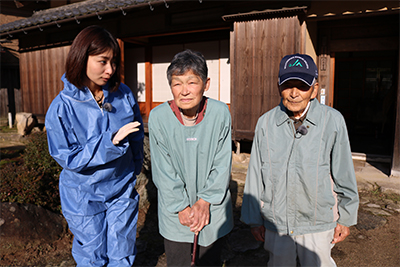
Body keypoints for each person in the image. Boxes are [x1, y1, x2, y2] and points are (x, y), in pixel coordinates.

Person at [241, 53, 359, 266]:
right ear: (279, 87)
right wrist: (253, 219)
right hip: (276, 221)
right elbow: (255, 175)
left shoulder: (332, 121)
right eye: (288, 85)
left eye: (302, 86)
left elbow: (344, 172)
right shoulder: (265, 123)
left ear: (314, 89)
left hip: (318, 220)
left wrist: (346, 216)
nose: (294, 93)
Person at [45, 25, 144, 267]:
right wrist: (109, 143)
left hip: (121, 188)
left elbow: (137, 136)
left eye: (113, 62)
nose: (110, 70)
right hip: (83, 195)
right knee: (92, 256)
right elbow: (67, 157)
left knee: (122, 252)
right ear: (81, 57)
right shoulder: (63, 106)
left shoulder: (123, 94)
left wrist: (135, 167)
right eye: (102, 61)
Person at [148, 49, 233, 266]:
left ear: (206, 84)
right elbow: (162, 169)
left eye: (192, 82)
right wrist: (181, 206)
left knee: (210, 261)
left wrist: (204, 201)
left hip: (211, 205)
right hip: (175, 209)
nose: (184, 91)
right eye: (177, 84)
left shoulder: (221, 113)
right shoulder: (158, 118)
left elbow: (222, 163)